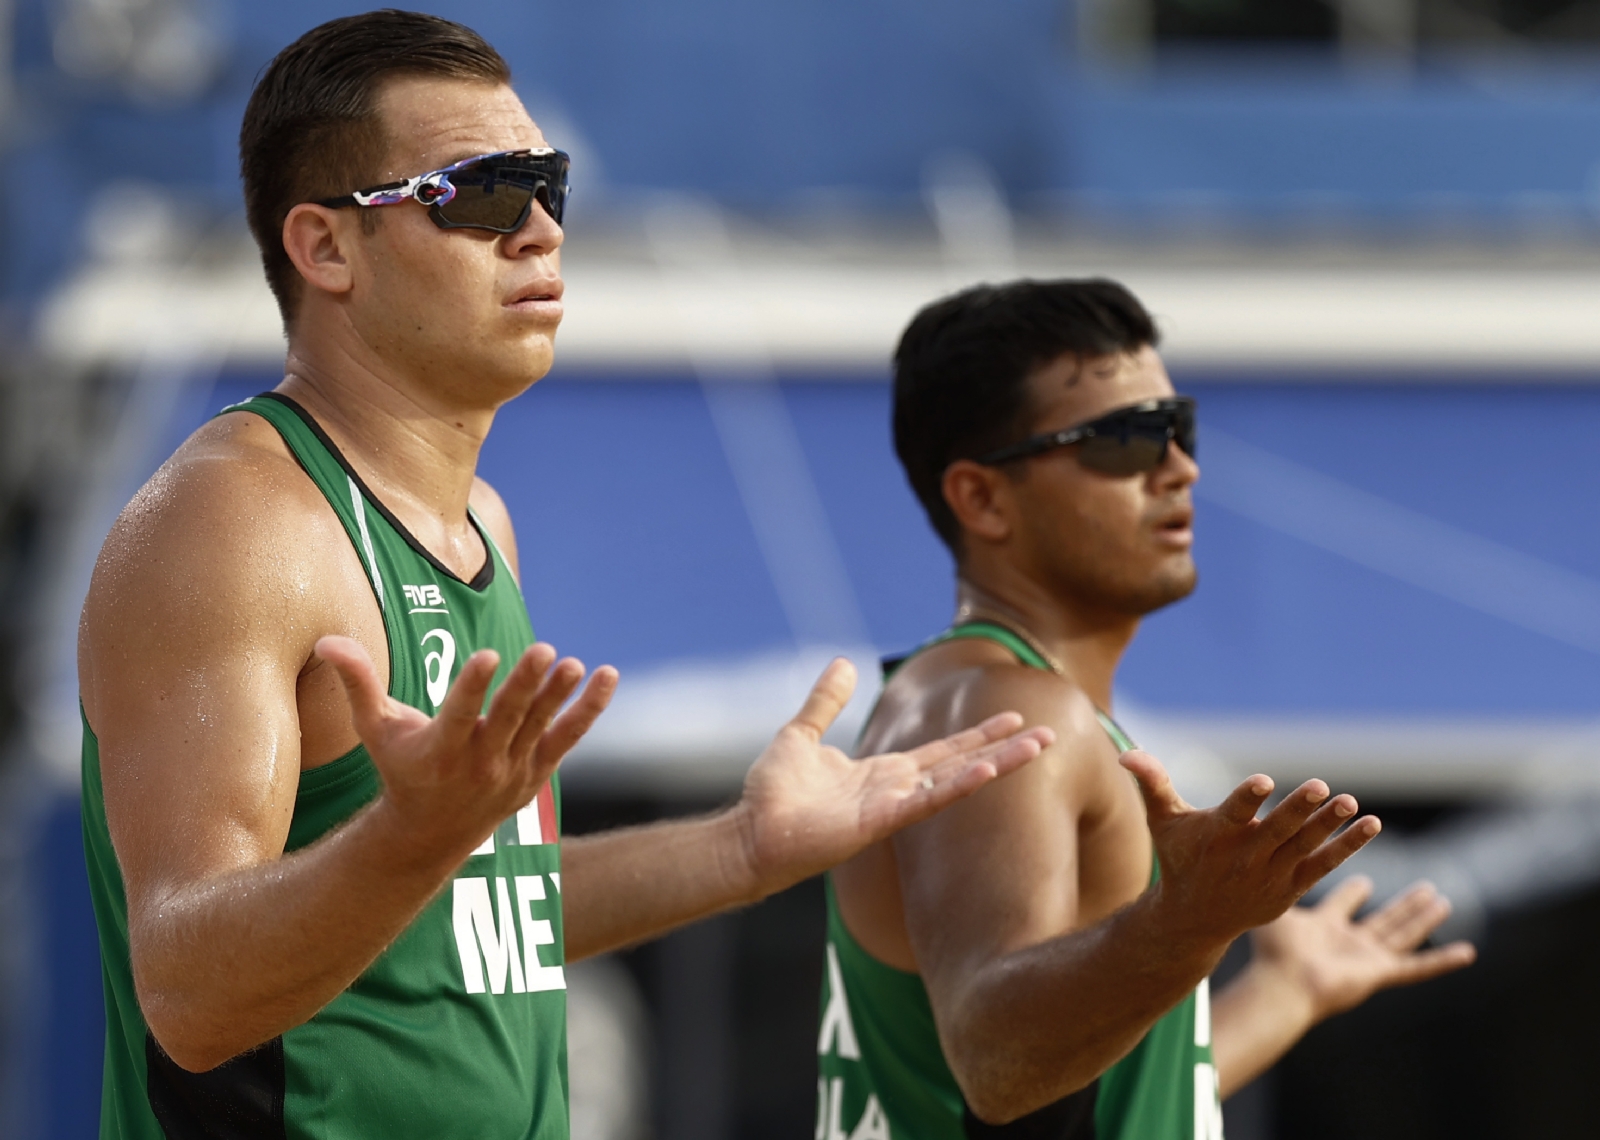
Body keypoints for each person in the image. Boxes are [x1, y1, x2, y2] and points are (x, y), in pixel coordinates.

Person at [75, 13, 1056, 1139]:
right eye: (482, 193)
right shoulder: (238, 522)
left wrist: (741, 849)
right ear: (326, 247)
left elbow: (474, 917)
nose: (538, 231)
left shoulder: (474, 516)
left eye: (548, 186)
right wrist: (412, 835)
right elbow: (190, 997)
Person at [818, 279, 1478, 1140]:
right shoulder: (1005, 711)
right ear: (982, 499)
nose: (1181, 468)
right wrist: (1184, 927)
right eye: (1127, 439)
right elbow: (998, 1062)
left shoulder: (980, 699)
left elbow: (1099, 1097)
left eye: (1178, 427)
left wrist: (1283, 993)